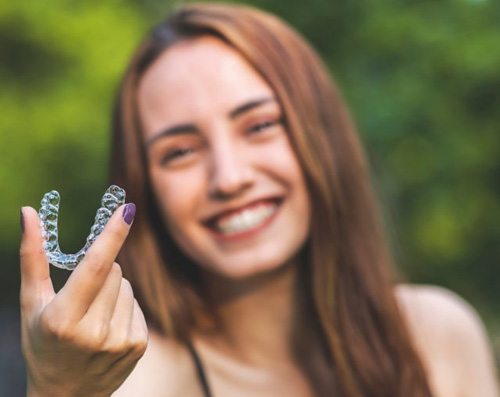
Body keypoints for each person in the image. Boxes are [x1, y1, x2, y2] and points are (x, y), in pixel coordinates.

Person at [19, 3, 499, 397]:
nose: (229, 178)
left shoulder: (437, 336)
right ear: (144, 187)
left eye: (261, 125)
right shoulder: (133, 382)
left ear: (323, 135)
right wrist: (58, 392)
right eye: (180, 151)